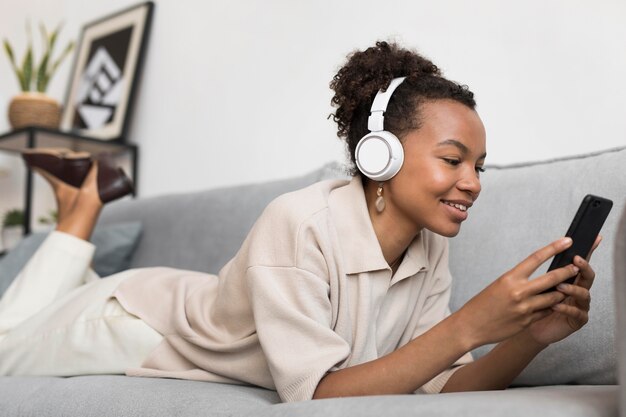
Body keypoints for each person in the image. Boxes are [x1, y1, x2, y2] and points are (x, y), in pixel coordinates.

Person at [0, 41, 599, 403]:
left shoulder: (426, 245)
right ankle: (79, 212)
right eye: (452, 160)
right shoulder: (300, 221)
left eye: (479, 166)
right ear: (379, 155)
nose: (473, 182)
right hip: (126, 323)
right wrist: (471, 324)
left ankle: (80, 207)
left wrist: (529, 338)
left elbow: (439, 387)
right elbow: (314, 396)